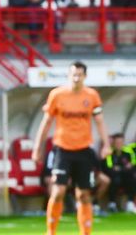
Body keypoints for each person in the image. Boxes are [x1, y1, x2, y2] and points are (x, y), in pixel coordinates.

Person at [31, 61, 112, 235]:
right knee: (58, 190)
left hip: (84, 150)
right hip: (62, 149)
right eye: (73, 74)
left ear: (85, 76)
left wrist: (106, 144)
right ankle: (50, 232)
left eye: (79, 75)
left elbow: (99, 121)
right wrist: (37, 148)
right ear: (69, 75)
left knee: (83, 194)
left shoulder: (92, 96)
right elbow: (46, 122)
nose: (76, 78)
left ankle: (85, 232)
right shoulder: (57, 95)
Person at [102, 133, 136, 213]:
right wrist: (124, 168)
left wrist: (120, 168)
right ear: (114, 143)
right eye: (117, 142)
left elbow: (132, 165)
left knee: (131, 179)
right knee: (115, 180)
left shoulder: (128, 152)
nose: (119, 144)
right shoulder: (110, 153)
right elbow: (110, 168)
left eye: (121, 142)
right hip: (114, 177)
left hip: (126, 176)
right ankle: (112, 204)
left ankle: (130, 203)